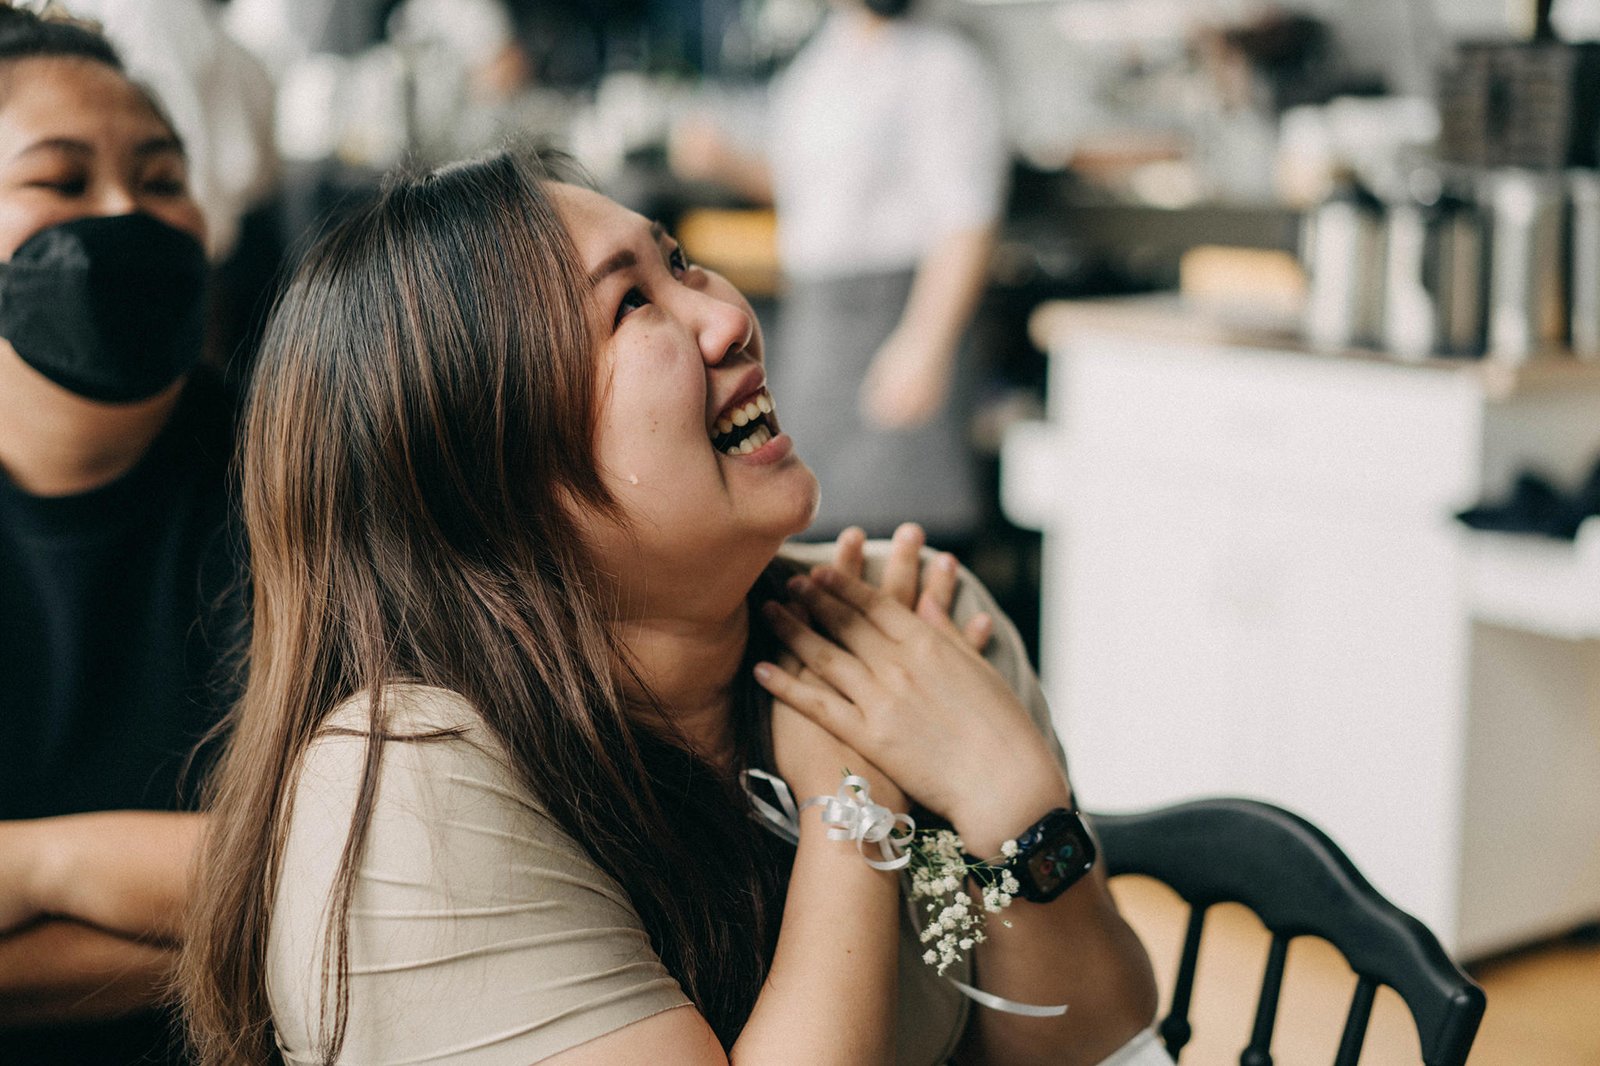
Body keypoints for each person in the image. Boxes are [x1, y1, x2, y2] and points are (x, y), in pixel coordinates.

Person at [179, 149, 1168, 1066]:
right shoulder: (409, 785)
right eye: (629, 305)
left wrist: (1014, 800)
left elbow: (1100, 1051)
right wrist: (851, 805)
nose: (729, 318)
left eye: (682, 262)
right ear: (481, 475)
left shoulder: (903, 626)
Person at [0, 5, 243, 1062]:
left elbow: (377, 866)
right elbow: (299, 891)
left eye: (161, 179)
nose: (123, 216)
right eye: (60, 180)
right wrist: (250, 925)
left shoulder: (307, 478)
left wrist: (29, 868)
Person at [671, 0, 1006, 542]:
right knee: (809, 521)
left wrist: (925, 345)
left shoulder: (944, 65)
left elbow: (966, 220)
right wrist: (727, 162)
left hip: (896, 314)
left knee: (901, 531)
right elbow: (811, 189)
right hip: (819, 321)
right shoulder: (819, 63)